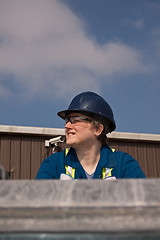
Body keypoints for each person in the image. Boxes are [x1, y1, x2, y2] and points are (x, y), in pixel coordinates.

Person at [36, 91, 146, 180]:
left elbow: (145, 203)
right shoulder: (53, 164)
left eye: (75, 120)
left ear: (98, 129)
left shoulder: (124, 164)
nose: (67, 126)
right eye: (67, 120)